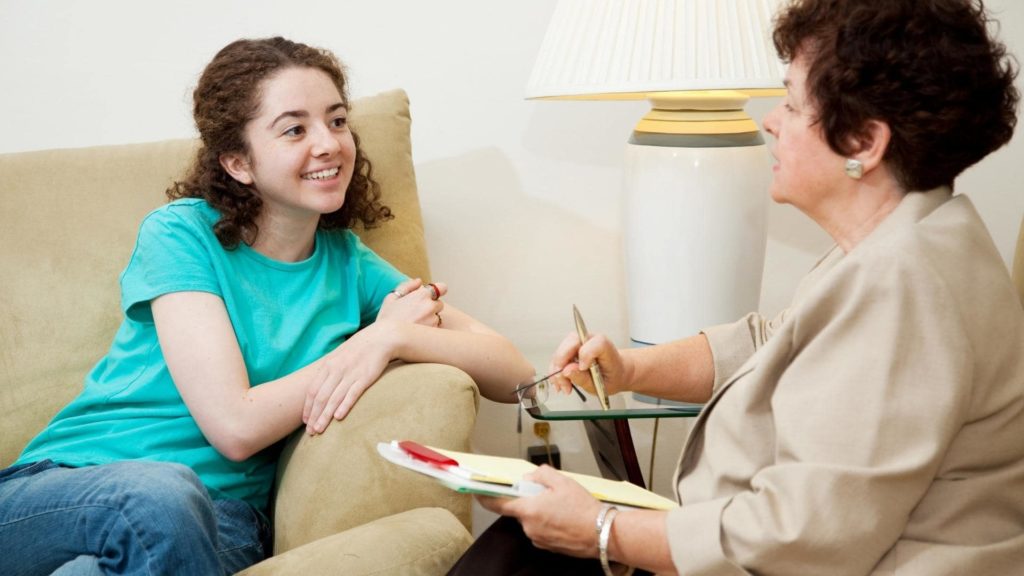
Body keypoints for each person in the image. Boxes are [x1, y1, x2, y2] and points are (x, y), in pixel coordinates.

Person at [450, 0, 1024, 574]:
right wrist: (628, 369)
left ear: (863, 144)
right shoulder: (904, 241)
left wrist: (601, 530)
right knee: (517, 545)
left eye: (793, 104)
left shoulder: (903, 287)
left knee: (517, 553)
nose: (771, 120)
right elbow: (768, 343)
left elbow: (798, 537)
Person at [0, 37, 534, 575]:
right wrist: (366, 345)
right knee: (157, 496)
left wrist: (395, 337)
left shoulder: (349, 264)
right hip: (63, 490)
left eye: (338, 121)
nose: (328, 144)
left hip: (224, 522)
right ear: (238, 162)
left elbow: (517, 375)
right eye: (295, 129)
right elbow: (234, 425)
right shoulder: (182, 234)